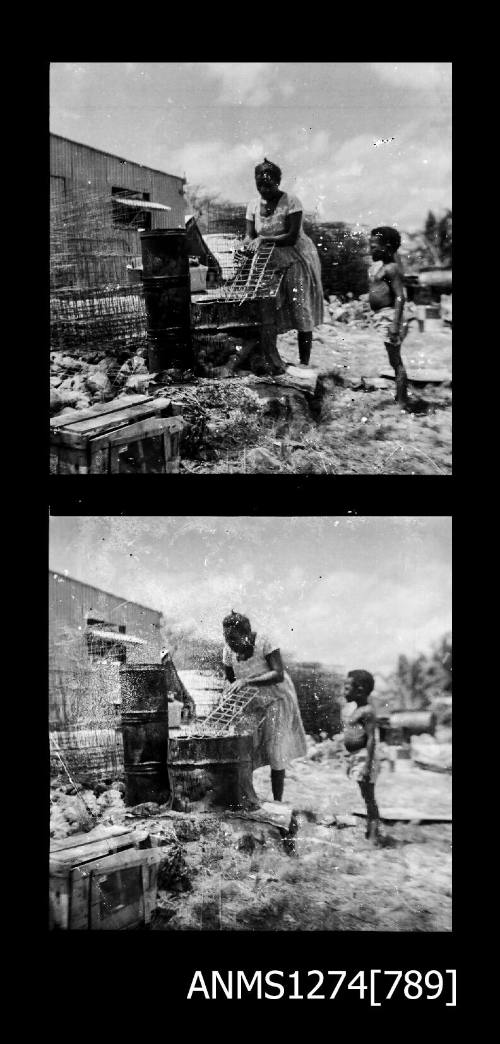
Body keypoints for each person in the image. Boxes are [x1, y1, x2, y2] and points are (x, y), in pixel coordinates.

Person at [244, 158, 324, 366]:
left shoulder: (291, 202)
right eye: (259, 184)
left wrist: (263, 239)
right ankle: (271, 358)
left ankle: (304, 363)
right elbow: (249, 235)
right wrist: (246, 243)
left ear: (278, 182)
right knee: (266, 307)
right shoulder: (253, 205)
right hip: (269, 260)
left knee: (300, 308)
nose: (264, 189)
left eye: (268, 185)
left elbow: (291, 237)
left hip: (295, 258)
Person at [222, 611, 307, 803]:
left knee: (276, 750)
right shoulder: (228, 650)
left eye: (234, 638)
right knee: (243, 747)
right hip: (253, 700)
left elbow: (278, 674)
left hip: (278, 698)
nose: (230, 643)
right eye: (226, 638)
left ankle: (277, 802)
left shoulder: (265, 642)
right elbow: (231, 679)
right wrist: (231, 693)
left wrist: (247, 681)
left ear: (246, 634)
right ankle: (248, 797)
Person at [368, 226, 409, 406]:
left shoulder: (391, 268)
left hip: (390, 316)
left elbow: (400, 296)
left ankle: (401, 401)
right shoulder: (383, 267)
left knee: (396, 361)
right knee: (394, 360)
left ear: (388, 248)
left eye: (374, 247)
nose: (370, 250)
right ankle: (400, 398)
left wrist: (394, 323)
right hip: (384, 316)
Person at [343, 669, 381, 843]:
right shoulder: (357, 710)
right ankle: (370, 831)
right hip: (357, 757)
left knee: (369, 797)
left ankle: (373, 836)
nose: (344, 692)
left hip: (366, 757)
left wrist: (367, 764)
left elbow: (372, 739)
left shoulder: (367, 711)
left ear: (360, 690)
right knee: (366, 796)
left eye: (347, 687)